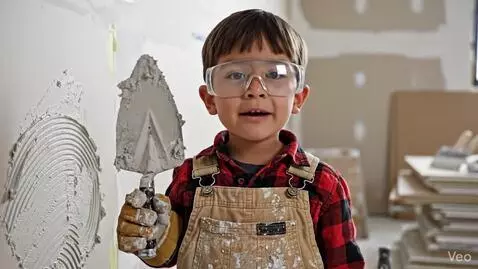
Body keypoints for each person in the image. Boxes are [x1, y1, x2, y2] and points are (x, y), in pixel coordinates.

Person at [117, 8, 365, 269]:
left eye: (275, 74)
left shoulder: (324, 186)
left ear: (299, 98)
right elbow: (169, 255)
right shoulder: (189, 178)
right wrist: (150, 237)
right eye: (236, 75)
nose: (255, 90)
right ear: (209, 99)